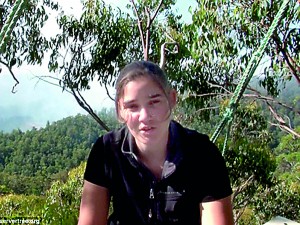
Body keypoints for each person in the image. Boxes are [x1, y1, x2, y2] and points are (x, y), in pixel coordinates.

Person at [77, 60, 234, 225]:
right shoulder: (107, 152)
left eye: (154, 102)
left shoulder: (202, 154)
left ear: (172, 99)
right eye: (132, 107)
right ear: (120, 110)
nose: (144, 116)